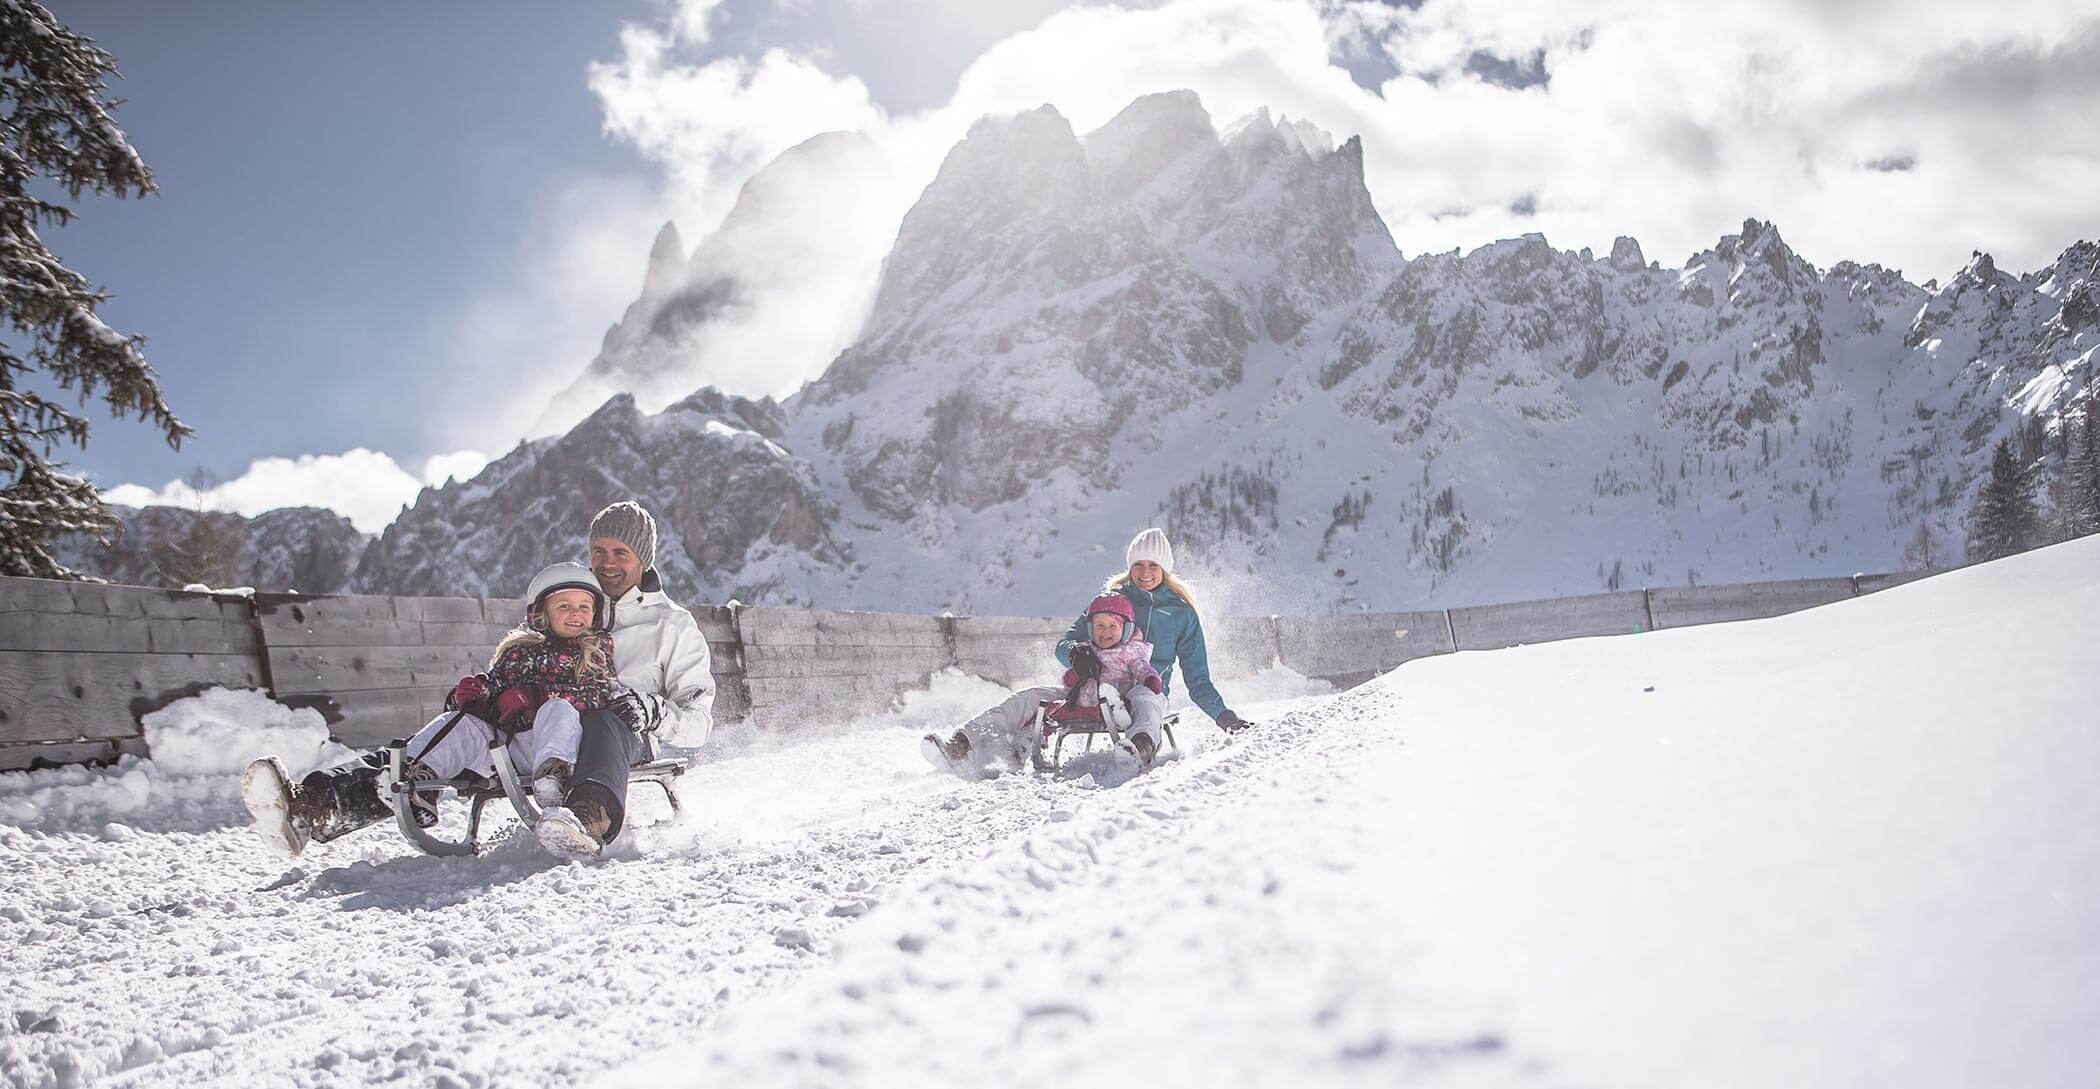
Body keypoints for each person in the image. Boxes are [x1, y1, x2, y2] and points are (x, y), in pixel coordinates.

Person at [242, 501, 715, 858]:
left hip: (617, 738)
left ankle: (587, 818)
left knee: (603, 720)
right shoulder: (571, 603)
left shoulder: (671, 626)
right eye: (599, 551)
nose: (608, 562)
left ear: (644, 560)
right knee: (455, 732)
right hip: (539, 733)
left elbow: (699, 723)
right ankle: (318, 806)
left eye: (621, 552)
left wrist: (652, 711)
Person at [923, 527, 1251, 775]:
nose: (1145, 572)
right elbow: (1065, 644)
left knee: (1149, 702)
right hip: (1090, 688)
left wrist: (1225, 717)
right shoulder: (1111, 601)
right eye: (1139, 564)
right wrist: (1077, 654)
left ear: (1165, 569)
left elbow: (1198, 679)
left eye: (1153, 565)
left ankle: (1139, 748)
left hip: (1142, 689)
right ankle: (964, 747)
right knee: (1027, 699)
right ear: (1130, 566)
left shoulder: (1181, 613)